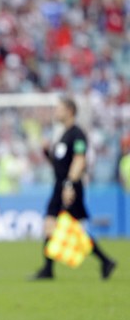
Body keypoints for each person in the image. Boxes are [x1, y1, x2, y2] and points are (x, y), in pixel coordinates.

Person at [31, 97, 117, 280]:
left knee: (74, 230)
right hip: (59, 185)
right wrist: (46, 152)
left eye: (59, 109)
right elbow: (58, 164)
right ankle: (48, 270)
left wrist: (69, 184)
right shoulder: (62, 134)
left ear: (70, 111)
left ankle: (105, 261)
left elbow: (79, 160)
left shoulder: (77, 134)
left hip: (70, 187)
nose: (56, 112)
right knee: (49, 224)